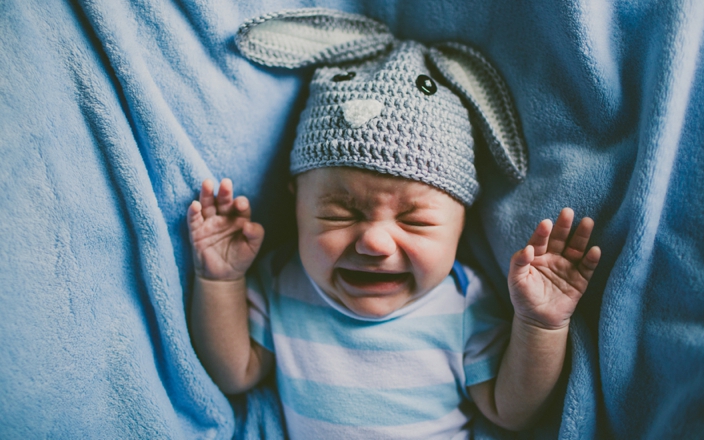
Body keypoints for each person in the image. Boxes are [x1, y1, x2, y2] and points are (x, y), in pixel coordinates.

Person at [187, 40, 602, 438]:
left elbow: (509, 411)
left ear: (461, 225)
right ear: (296, 206)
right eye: (339, 213)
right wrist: (220, 280)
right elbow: (234, 372)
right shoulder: (284, 282)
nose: (375, 243)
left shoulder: (462, 303)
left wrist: (539, 325)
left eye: (415, 221)